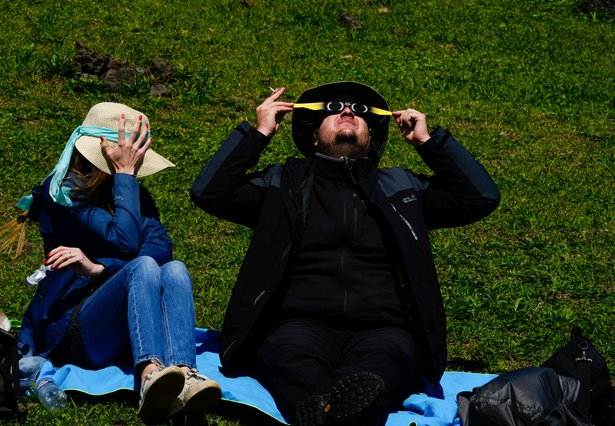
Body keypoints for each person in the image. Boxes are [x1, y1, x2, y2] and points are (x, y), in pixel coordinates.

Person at [190, 82, 501, 426]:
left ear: (371, 138)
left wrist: (428, 143)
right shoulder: (283, 183)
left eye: (361, 112)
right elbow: (210, 192)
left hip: (384, 328)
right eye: (334, 107)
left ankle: (322, 411)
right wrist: (259, 133)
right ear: (312, 135)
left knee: (380, 370)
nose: (349, 111)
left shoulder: (402, 187)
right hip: (298, 323)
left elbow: (480, 198)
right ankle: (336, 410)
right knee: (292, 361)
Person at [0, 102, 221, 419]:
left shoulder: (132, 193)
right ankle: (147, 376)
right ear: (106, 149)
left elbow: (162, 246)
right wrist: (127, 176)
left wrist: (100, 267)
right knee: (143, 266)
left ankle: (185, 375)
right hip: (73, 328)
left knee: (175, 270)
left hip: (122, 324)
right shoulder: (63, 193)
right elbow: (127, 241)